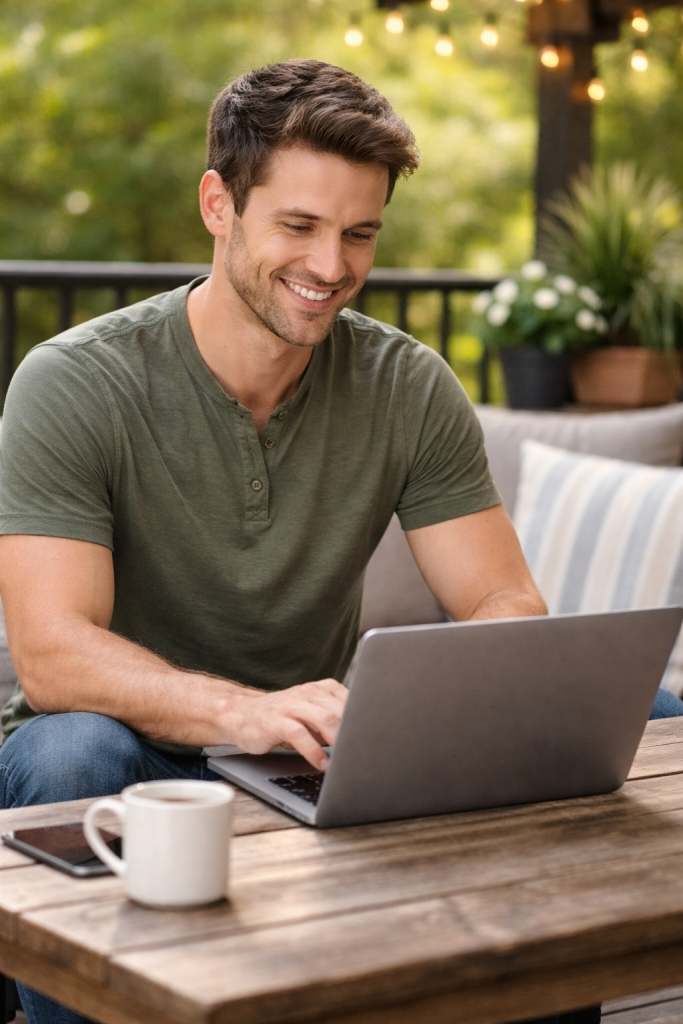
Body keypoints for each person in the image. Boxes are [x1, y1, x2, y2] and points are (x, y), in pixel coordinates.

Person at [0, 60, 679, 1024]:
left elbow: (503, 604)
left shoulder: (408, 386)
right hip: (138, 752)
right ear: (217, 205)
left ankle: (539, 988)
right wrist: (244, 713)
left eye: (359, 233)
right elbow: (54, 655)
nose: (331, 267)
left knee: (654, 710)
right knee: (65, 757)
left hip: (317, 751)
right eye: (299, 226)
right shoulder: (73, 383)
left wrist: (415, 711)